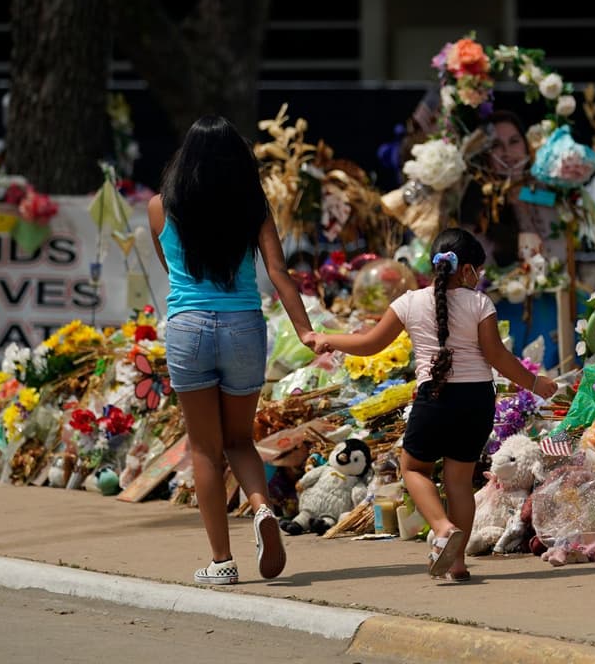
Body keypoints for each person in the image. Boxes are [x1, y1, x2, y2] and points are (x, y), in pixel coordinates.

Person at [319, 228, 558, 581]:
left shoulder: (410, 302)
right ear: (467, 270)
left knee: (413, 469)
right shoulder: (480, 304)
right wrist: (536, 383)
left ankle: (442, 528)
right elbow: (497, 356)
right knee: (459, 482)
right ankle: (457, 563)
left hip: (435, 399)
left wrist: (327, 339)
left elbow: (370, 344)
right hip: (477, 400)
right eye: (479, 270)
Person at [148, 115, 326, 586]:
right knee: (240, 440)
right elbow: (279, 274)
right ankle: (262, 508)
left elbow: (172, 270)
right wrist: (306, 332)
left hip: (189, 327)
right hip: (244, 326)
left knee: (205, 450)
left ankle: (222, 562)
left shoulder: (160, 207)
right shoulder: (253, 207)